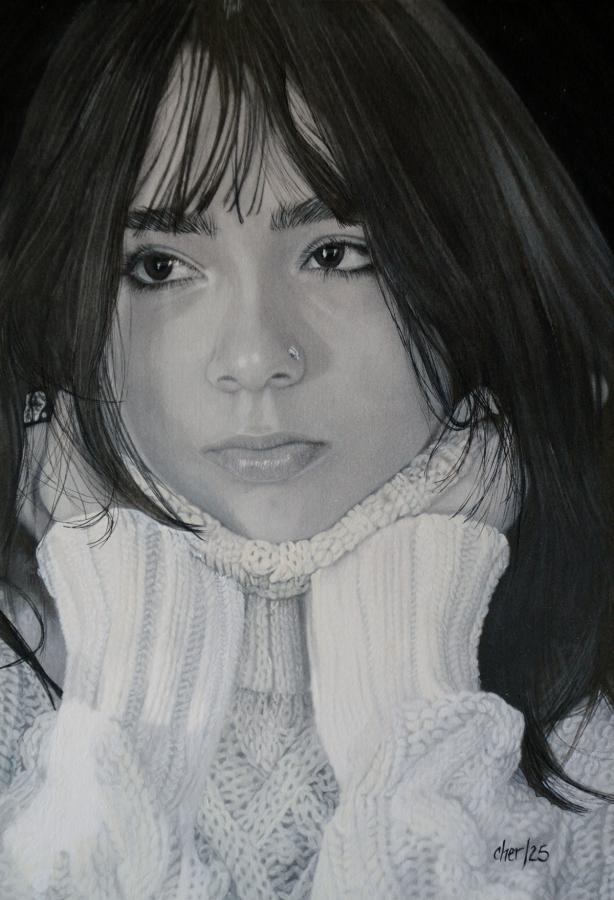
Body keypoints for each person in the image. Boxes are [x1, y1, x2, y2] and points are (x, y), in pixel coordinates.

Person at [0, 0, 612, 896]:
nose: (256, 358)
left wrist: (413, 702)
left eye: (334, 254)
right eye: (161, 267)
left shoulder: (592, 739)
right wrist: (134, 707)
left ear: (472, 275)